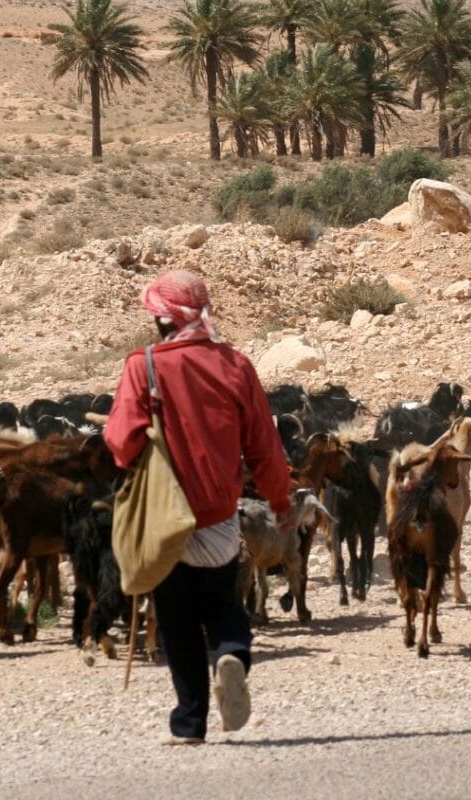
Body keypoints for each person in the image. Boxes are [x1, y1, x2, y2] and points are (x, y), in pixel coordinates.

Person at [105, 270, 292, 745]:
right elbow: (264, 447)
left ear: (163, 319)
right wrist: (280, 499)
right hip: (219, 520)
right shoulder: (235, 365)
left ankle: (190, 724)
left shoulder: (142, 366)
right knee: (224, 605)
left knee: (176, 620)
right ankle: (231, 653)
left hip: (164, 520)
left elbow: (122, 445)